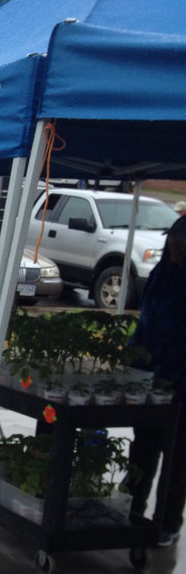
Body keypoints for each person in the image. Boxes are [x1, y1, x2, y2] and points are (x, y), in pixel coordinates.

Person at [125, 216, 186, 547]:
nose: (175, 248)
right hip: (150, 380)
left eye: (181, 244)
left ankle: (167, 523)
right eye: (173, 242)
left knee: (176, 461)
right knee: (143, 452)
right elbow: (147, 325)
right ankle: (130, 511)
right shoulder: (162, 275)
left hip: (180, 385)